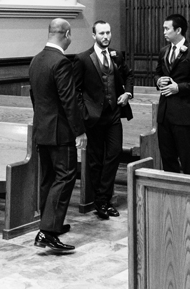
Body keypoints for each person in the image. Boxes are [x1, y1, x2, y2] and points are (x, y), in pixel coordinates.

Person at [28, 18, 84, 253]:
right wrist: (79, 130)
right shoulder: (61, 62)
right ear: (67, 33)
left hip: (42, 129)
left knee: (48, 178)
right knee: (65, 176)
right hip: (60, 132)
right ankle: (48, 232)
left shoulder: (36, 60)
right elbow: (69, 100)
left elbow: (34, 97)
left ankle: (51, 223)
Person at [76, 19, 131, 218]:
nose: (106, 37)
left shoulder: (117, 56)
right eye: (101, 34)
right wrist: (84, 114)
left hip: (114, 114)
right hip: (94, 117)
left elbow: (128, 76)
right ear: (94, 36)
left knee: (114, 154)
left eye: (108, 33)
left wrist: (128, 94)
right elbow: (76, 90)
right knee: (96, 160)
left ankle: (103, 197)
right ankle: (101, 201)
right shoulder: (83, 59)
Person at [155, 13, 190, 175]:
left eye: (167, 28)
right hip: (164, 113)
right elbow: (157, 73)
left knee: (186, 155)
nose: (164, 32)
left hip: (183, 112)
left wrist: (178, 87)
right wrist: (158, 81)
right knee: (167, 155)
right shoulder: (164, 51)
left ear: (178, 30)